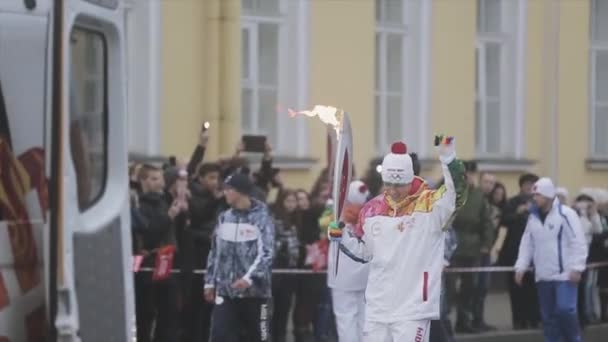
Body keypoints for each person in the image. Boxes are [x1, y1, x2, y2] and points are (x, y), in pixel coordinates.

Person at [330, 136, 467, 342]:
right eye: (388, 184)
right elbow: (365, 253)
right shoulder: (372, 209)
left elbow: (457, 194)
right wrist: (342, 238)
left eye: (399, 184)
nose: (393, 191)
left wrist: (448, 157)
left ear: (410, 179)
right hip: (377, 308)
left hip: (413, 309)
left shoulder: (431, 207)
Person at [514, 177, 588, 342]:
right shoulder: (532, 218)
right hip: (543, 275)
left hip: (564, 275)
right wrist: (521, 266)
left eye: (538, 195)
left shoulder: (566, 214)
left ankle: (573, 338)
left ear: (548, 195)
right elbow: (527, 244)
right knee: (548, 318)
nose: (535, 198)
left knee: (565, 310)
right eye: (534, 195)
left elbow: (578, 241)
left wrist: (577, 267)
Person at [204, 173, 275, 342]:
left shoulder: (262, 218)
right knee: (219, 336)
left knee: (260, 336)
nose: (224, 193)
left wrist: (248, 279)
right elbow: (215, 252)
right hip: (226, 292)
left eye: (228, 189)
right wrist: (209, 282)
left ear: (241, 191)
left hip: (256, 293)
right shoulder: (224, 218)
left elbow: (267, 253)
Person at [447, 160, 495, 333]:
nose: (469, 177)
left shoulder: (478, 196)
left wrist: (486, 245)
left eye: (472, 174)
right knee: (450, 288)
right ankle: (444, 321)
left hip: (473, 248)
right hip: (453, 247)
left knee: (470, 287)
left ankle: (463, 321)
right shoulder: (452, 191)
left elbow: (487, 222)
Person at [327, 180, 371, 342]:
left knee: (346, 320)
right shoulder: (371, 216)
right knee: (364, 320)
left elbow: (333, 236)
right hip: (365, 277)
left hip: (342, 278)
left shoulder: (338, 217)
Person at [499, 173, 541, 329]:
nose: (530, 187)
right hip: (515, 253)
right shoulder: (513, 202)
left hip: (536, 253)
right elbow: (504, 220)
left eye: (533, 185)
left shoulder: (540, 203)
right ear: (521, 186)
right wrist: (519, 211)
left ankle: (534, 319)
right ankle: (519, 320)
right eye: (527, 184)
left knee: (533, 289)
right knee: (516, 288)